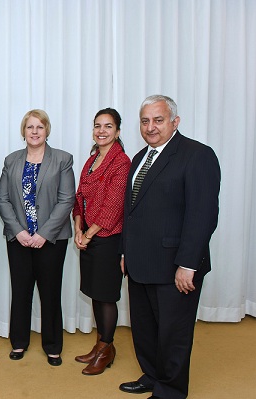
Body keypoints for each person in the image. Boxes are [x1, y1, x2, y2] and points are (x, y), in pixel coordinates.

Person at [119, 95, 220, 399]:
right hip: (139, 263)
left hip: (175, 266)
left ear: (175, 122)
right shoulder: (139, 158)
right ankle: (152, 375)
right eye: (145, 120)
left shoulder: (197, 155)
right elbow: (132, 212)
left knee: (173, 334)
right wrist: (126, 252)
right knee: (146, 330)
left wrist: (188, 264)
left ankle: (171, 391)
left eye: (158, 120)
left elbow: (203, 215)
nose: (150, 127)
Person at [0, 109, 75, 366]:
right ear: (23, 131)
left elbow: (66, 200)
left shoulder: (62, 159)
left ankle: (52, 346)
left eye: (39, 127)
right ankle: (18, 342)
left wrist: (43, 234)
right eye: (30, 127)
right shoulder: (12, 160)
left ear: (47, 130)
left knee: (50, 292)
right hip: (18, 239)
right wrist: (18, 231)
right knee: (21, 291)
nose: (34, 131)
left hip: (51, 240)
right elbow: (2, 198)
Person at [71, 108, 131, 375]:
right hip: (88, 236)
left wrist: (89, 233)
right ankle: (100, 345)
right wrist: (77, 227)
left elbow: (113, 206)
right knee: (95, 293)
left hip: (107, 238)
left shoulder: (121, 162)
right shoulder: (92, 158)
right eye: (97, 126)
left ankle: (106, 349)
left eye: (108, 126)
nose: (101, 131)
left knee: (106, 296)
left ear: (117, 131)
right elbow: (79, 196)